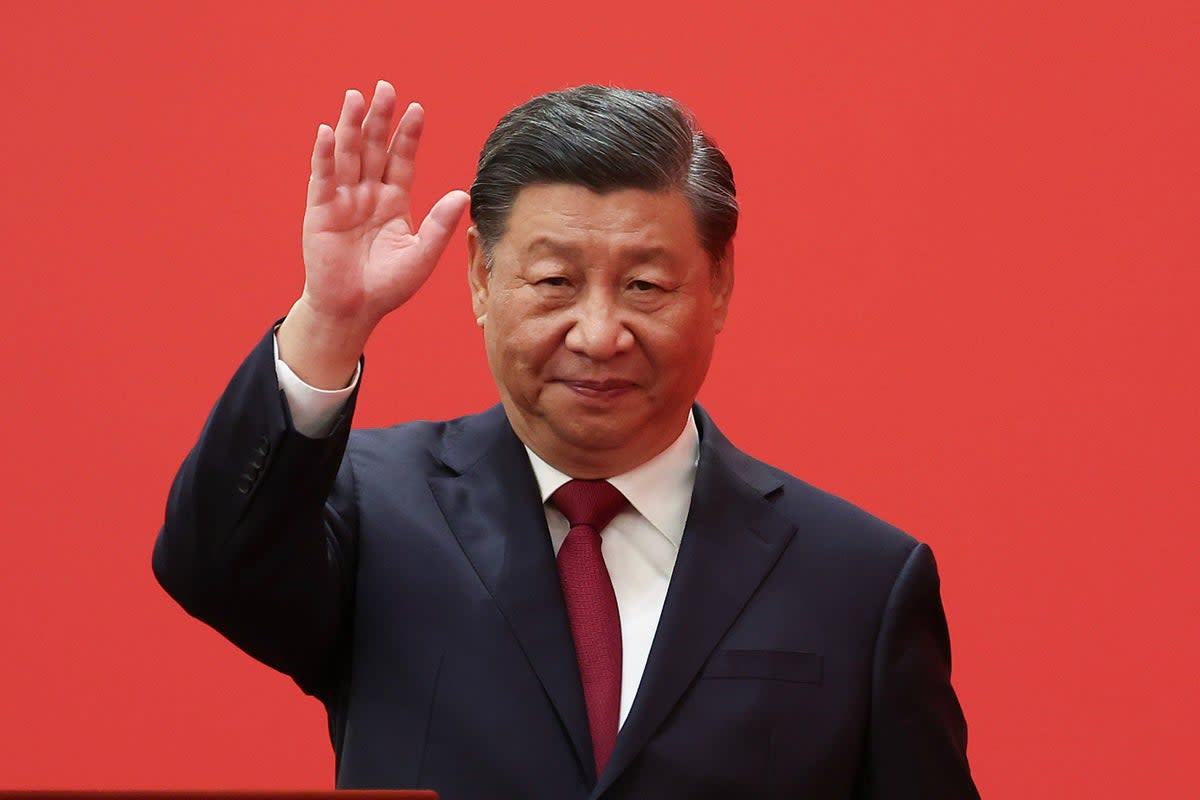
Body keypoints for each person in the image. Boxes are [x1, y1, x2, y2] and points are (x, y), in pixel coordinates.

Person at [153, 80, 980, 799]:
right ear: (480, 277)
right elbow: (211, 566)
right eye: (553, 282)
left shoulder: (860, 581)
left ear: (718, 285)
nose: (599, 332)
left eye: (645, 286)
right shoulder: (372, 510)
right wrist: (331, 323)